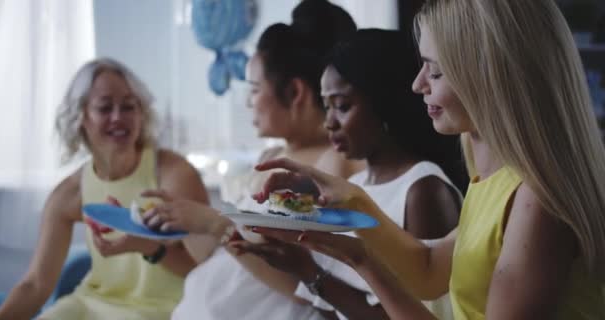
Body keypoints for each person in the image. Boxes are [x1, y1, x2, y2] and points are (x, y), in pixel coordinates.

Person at [247, 0, 605, 319]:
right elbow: (429, 270)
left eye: (435, 71)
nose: (418, 84)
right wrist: (354, 224)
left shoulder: (535, 199)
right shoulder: (495, 180)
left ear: (490, 76)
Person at [143, 1, 362, 319]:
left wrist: (215, 223)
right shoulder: (271, 157)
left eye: (255, 89)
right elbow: (223, 258)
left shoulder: (331, 166)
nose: (248, 102)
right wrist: (176, 218)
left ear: (296, 92)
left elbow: (309, 288)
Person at [232, 28, 464, 320]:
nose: (329, 122)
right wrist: (296, 262)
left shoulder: (422, 190)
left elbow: (416, 314)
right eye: (326, 106)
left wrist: (308, 271)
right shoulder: (355, 186)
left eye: (342, 106)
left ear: (383, 103)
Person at [0, 58, 210, 320]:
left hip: (158, 308)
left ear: (141, 113)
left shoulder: (173, 174)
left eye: (129, 106)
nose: (118, 117)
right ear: (82, 117)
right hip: (91, 303)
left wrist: (151, 248)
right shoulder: (70, 193)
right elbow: (36, 285)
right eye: (105, 107)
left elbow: (207, 270)